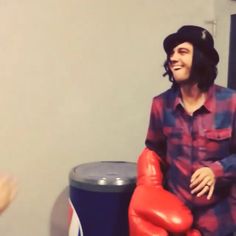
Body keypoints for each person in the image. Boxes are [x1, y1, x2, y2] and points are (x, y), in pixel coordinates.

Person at [129, 25, 236, 236]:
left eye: (182, 51)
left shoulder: (232, 103)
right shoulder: (160, 105)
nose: (173, 58)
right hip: (173, 217)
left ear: (201, 58)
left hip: (219, 221)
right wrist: (146, 191)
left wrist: (218, 170)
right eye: (171, 53)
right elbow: (154, 152)